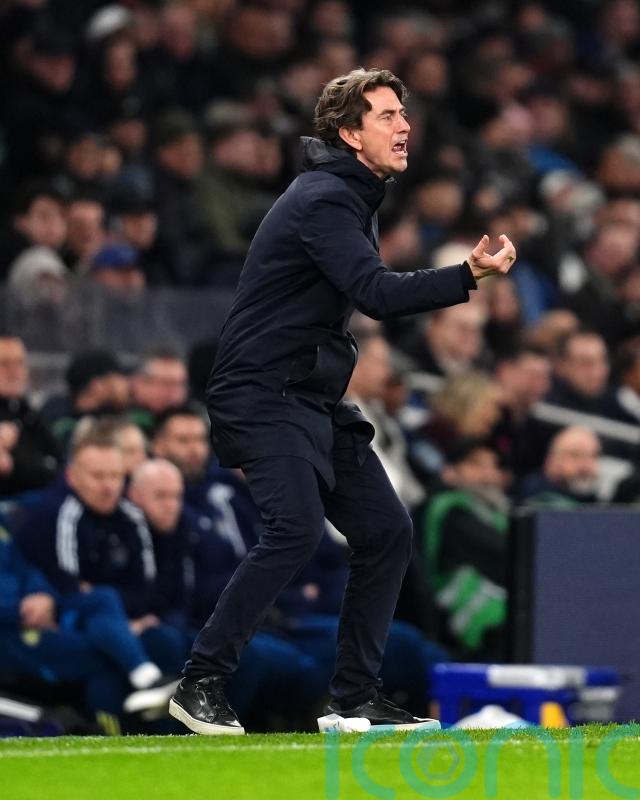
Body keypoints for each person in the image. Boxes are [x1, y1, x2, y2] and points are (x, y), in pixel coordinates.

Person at [169, 67, 516, 735]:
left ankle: (355, 697)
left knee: (386, 531)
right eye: (387, 115)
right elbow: (376, 295)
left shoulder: (352, 194)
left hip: (309, 395)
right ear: (350, 134)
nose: (404, 125)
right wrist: (466, 274)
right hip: (262, 390)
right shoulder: (325, 198)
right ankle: (200, 682)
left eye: (403, 113)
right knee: (296, 527)